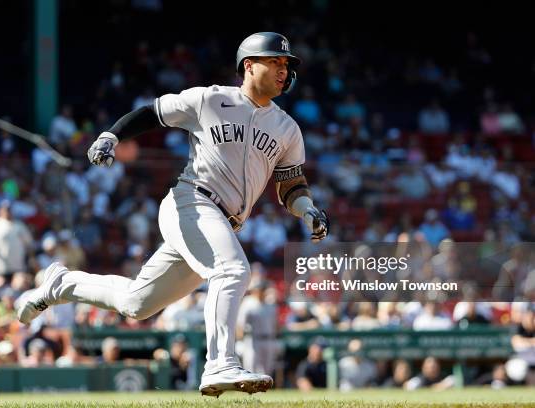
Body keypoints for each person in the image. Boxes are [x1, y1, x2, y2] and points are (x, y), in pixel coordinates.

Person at [17, 32, 328, 397]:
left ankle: (59, 285)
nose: (283, 70)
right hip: (191, 201)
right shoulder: (210, 99)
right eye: (275, 61)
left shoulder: (287, 128)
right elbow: (153, 113)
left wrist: (307, 210)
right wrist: (111, 136)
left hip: (220, 223)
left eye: (286, 65)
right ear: (249, 65)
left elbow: (291, 184)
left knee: (137, 304)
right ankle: (219, 364)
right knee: (232, 270)